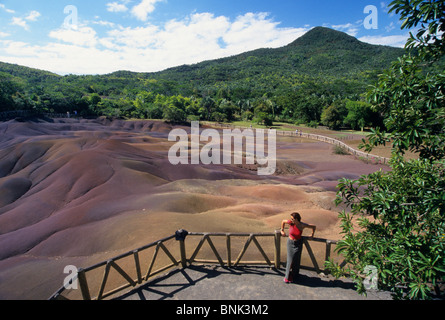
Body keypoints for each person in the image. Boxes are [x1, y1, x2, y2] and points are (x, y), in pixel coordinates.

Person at [280, 212, 316, 283]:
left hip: (298, 243)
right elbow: (283, 221)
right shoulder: (291, 223)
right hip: (290, 243)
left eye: (292, 219)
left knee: (296, 259)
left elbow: (313, 227)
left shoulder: (302, 225)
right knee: (290, 259)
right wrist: (282, 230)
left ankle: (295, 275)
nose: (291, 220)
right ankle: (287, 276)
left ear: (297, 219)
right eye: (291, 219)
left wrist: (312, 235)